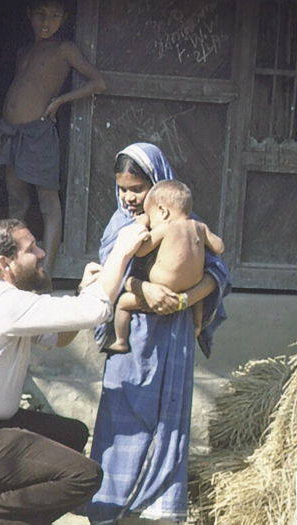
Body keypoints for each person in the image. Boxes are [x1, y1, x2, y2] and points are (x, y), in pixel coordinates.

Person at [0, 217, 149, 525]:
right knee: (83, 476)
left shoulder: (3, 300)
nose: (41, 253)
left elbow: (61, 336)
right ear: (5, 263)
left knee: (70, 435)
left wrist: (84, 289)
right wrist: (123, 250)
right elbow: (95, 311)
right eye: (31, 248)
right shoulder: (0, 302)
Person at [87, 143, 232, 524]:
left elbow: (219, 273)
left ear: (159, 186)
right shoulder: (120, 227)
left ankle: (160, 510)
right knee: (125, 414)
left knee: (169, 418)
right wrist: (144, 290)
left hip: (174, 338)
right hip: (133, 341)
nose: (129, 198)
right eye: (122, 189)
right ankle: (111, 506)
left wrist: (183, 300)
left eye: (137, 188)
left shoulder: (188, 224)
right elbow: (106, 283)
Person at [0, 0, 107, 275]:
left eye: (54, 16)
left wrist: (60, 101)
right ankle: (16, 269)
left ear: (64, 18)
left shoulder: (64, 49)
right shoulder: (25, 52)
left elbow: (98, 82)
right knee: (16, 202)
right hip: (11, 133)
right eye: (41, 15)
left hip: (38, 133)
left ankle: (45, 275)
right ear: (29, 15)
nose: (46, 22)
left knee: (48, 204)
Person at [106, 180, 225, 354]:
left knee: (123, 303)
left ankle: (121, 341)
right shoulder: (199, 226)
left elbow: (139, 252)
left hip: (163, 291)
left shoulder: (165, 229)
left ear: (163, 211)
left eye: (151, 216)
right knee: (197, 305)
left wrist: (141, 225)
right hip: (192, 292)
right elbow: (219, 247)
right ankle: (197, 326)